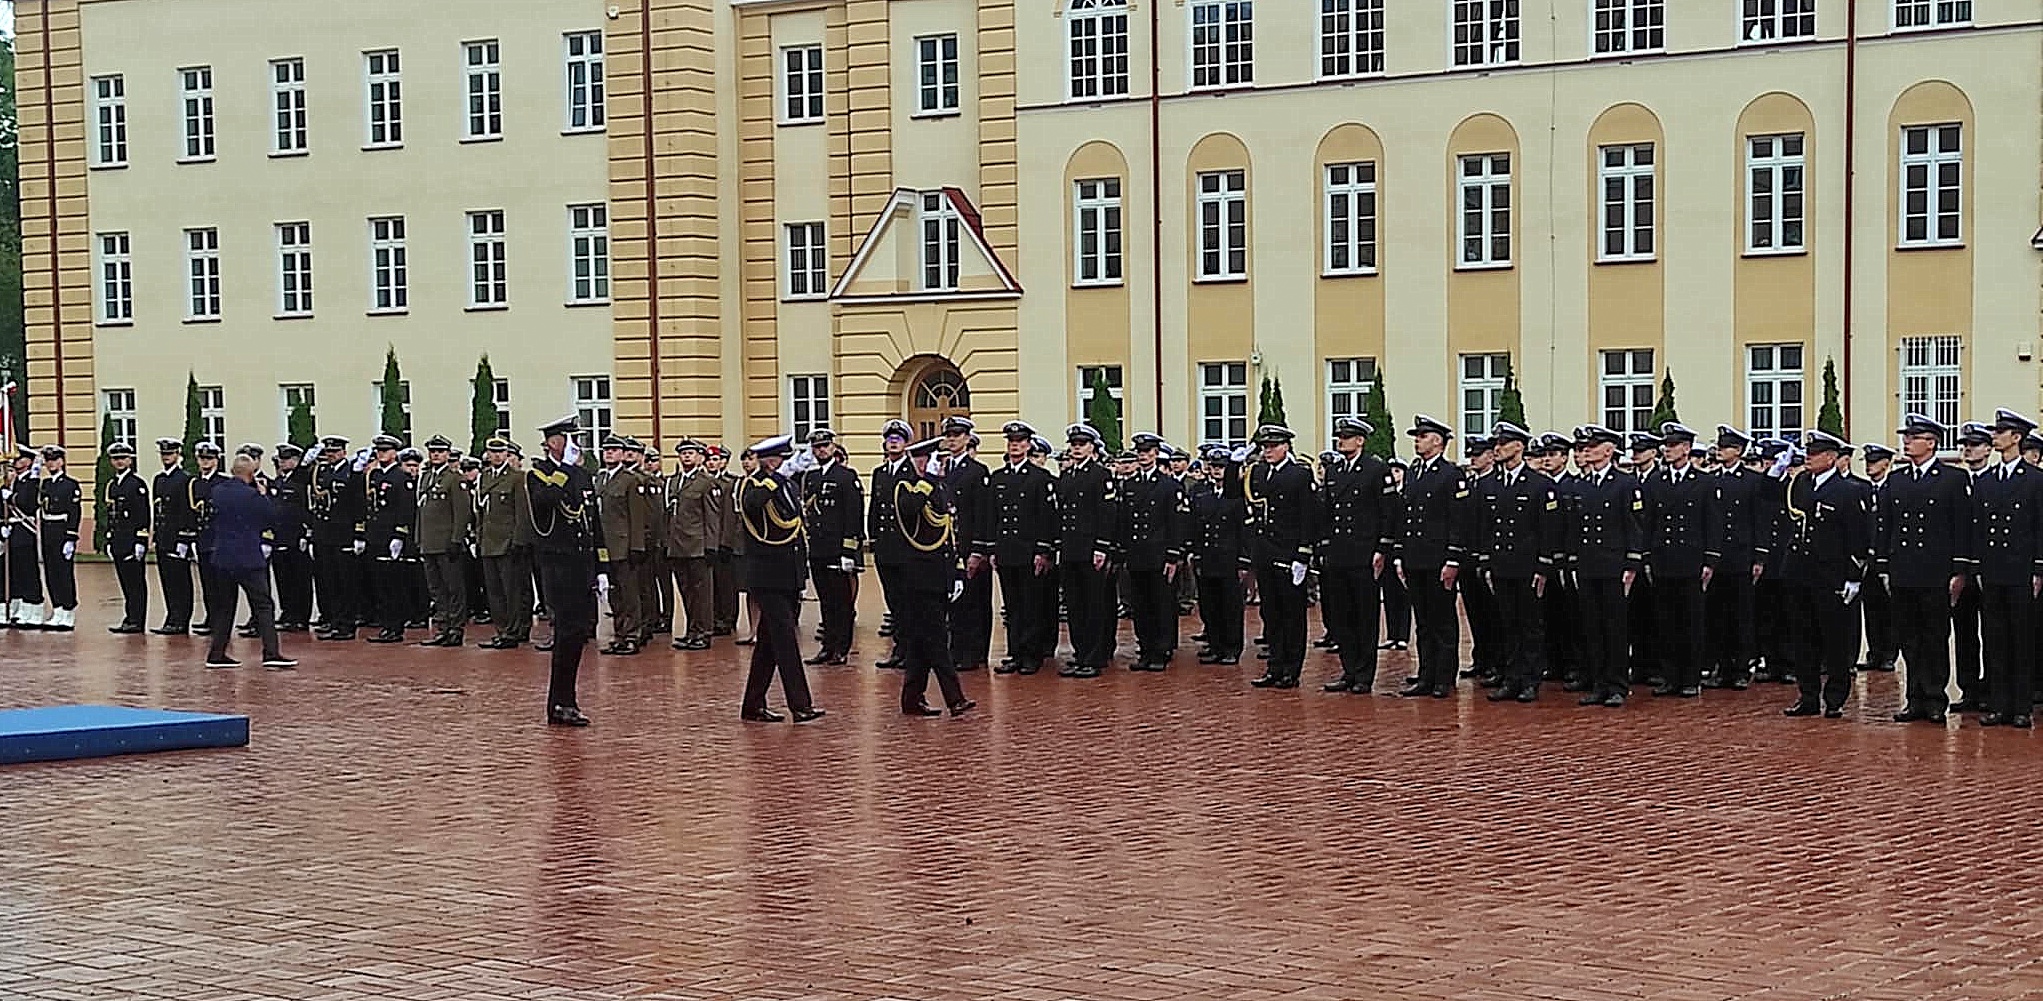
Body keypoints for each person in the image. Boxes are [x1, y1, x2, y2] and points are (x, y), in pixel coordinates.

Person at [1880, 414, 1969, 725]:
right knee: (1909, 638)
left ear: (1931, 442)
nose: (1906, 441)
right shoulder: (1897, 479)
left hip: (1935, 571)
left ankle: (1935, 698)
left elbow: (1961, 527)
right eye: (1906, 436)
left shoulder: (1953, 479)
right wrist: (1885, 566)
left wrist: (1959, 570)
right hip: (1904, 570)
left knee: (1934, 636)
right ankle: (1913, 698)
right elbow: (1887, 526)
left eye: (1913, 437)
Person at [1469, 423, 1560, 702]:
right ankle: (1511, 677)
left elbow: (1548, 529)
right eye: (1496, 443)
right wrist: (1485, 562)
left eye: (1504, 443)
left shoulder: (1539, 484)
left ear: (1519, 447)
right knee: (1507, 623)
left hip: (1527, 565)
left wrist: (1544, 566)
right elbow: (1483, 526)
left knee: (1530, 624)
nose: (1497, 448)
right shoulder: (1488, 484)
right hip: (1501, 563)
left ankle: (1530, 679)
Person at [737, 434, 823, 723]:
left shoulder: (787, 486)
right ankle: (800, 705)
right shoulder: (755, 484)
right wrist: (773, 479)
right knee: (786, 641)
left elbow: (796, 528)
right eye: (782, 460)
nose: (787, 464)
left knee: (769, 644)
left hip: (788, 574)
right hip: (767, 575)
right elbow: (751, 505)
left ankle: (752, 704)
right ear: (771, 461)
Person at [1965, 409, 2041, 728]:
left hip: (2021, 570)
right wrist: (1979, 566)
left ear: (2016, 438)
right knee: (1994, 637)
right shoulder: (1987, 480)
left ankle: (2022, 706)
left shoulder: (2036, 480)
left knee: (2021, 639)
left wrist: (2039, 569)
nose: (1995, 436)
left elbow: (2040, 526)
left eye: (2001, 432)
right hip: (1993, 569)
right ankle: (1998, 704)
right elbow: (1978, 526)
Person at [1318, 417, 1397, 693]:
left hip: (1364, 553)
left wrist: (1382, 548)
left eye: (1347, 436)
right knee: (1342, 615)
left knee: (1365, 614)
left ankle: (1364, 673)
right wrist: (1325, 546)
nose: (1341, 440)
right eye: (1339, 436)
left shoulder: (1376, 469)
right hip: (1339, 553)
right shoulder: (1334, 471)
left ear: (1360, 440)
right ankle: (1349, 669)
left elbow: (1388, 512)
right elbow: (1327, 512)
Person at [527, 416, 598, 726]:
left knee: (579, 633)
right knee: (566, 634)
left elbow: (594, 521)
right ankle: (559, 704)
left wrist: (602, 566)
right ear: (553, 443)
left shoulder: (582, 475)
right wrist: (565, 468)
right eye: (569, 439)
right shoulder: (537, 475)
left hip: (581, 563)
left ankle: (567, 700)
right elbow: (546, 501)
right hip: (557, 564)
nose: (575, 445)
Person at [896, 436, 974, 716]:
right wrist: (927, 479)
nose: (939, 465)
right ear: (917, 460)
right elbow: (909, 510)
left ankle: (911, 699)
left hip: (939, 572)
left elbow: (949, 531)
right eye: (931, 460)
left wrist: (957, 570)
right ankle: (955, 698)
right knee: (938, 639)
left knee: (920, 640)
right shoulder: (905, 486)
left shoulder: (941, 487)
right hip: (918, 576)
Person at [977, 421, 1059, 675]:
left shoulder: (1040, 478)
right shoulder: (998, 477)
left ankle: (1031, 654)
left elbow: (1046, 518)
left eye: (1020, 442)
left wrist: (1043, 551)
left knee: (1031, 604)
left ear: (1028, 445)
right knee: (1011, 606)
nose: (1015, 446)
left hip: (1028, 550)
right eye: (1011, 442)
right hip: (1006, 550)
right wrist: (992, 549)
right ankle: (1015, 652)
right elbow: (992, 515)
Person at [1571, 425, 1644, 708]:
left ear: (1609, 450)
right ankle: (1599, 683)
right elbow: (1577, 528)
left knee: (1614, 627)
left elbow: (1634, 526)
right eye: (1587, 445)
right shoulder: (1584, 485)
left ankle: (1617, 685)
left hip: (1614, 565)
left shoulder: (1625, 484)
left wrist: (1632, 563)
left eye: (1595, 445)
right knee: (1592, 626)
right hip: (1589, 565)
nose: (1588, 450)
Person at [201, 454, 296, 670]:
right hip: (247, 557)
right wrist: (264, 495)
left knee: (225, 607)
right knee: (263, 605)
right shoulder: (252, 496)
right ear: (251, 474)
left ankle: (216, 653)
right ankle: (271, 652)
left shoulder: (217, 491)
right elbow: (271, 517)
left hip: (222, 556)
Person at [1396, 416, 1468, 699]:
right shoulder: (1414, 472)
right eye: (1417, 436)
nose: (1417, 440)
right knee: (1423, 621)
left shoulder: (1451, 475)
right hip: (1416, 557)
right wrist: (1401, 555)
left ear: (1437, 441)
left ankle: (1443, 677)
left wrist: (1453, 559)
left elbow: (1457, 521)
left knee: (1443, 620)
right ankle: (1426, 674)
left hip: (1439, 559)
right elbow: (1406, 516)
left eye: (1423, 436)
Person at [1642, 422, 1712, 698]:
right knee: (1666, 621)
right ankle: (1670, 675)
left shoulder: (1704, 482)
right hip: (1663, 558)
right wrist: (1647, 555)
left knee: (1691, 621)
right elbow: (1648, 521)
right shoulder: (1656, 482)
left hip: (1691, 558)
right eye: (1665, 446)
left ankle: (1690, 677)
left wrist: (1710, 560)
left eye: (1673, 446)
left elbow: (1711, 522)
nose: (1667, 450)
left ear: (1686, 448)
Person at [1244, 425, 1317, 689]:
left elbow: (1308, 516)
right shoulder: (1259, 473)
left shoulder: (1299, 474)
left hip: (1289, 553)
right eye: (1264, 447)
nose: (1268, 451)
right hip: (1265, 552)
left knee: (1292, 614)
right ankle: (1274, 666)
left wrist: (1303, 554)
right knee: (1271, 613)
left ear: (1286, 446)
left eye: (1273, 446)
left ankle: (1291, 669)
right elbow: (1240, 498)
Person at [1053, 423, 1117, 678]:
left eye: (1082, 444)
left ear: (1092, 447)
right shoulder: (1067, 476)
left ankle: (1094, 656)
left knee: (1093, 604)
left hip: (1091, 549)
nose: (1077, 449)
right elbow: (1061, 514)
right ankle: (1080, 653)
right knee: (1075, 605)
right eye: (1074, 444)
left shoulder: (1101, 475)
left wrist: (1102, 546)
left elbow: (1107, 513)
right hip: (1070, 549)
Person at [1120, 432, 1186, 671]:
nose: (1144, 456)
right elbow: (1125, 521)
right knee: (1141, 605)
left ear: (1157, 454)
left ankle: (1161, 650)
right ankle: (1146, 649)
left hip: (1159, 554)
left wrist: (1172, 555)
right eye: (1140, 452)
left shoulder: (1170, 486)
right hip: (1137, 554)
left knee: (1162, 603)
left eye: (1148, 452)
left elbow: (1176, 523)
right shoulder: (1130, 484)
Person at [1703, 426, 1762, 690]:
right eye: (1719, 445)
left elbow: (1759, 520)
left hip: (1741, 555)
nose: (1719, 450)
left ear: (1738, 451)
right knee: (1718, 613)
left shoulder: (1752, 480)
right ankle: (1722, 665)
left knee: (1741, 614)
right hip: (1718, 557)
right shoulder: (1711, 479)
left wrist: (1759, 556)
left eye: (1725, 447)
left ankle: (1741, 667)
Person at [800, 429, 863, 665]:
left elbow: (853, 515)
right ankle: (827, 645)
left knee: (841, 601)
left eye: (825, 446)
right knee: (825, 599)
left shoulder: (847, 476)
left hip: (838, 548)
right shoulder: (811, 477)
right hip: (818, 547)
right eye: (816, 447)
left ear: (833, 447)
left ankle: (841, 648)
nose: (821, 450)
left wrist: (849, 550)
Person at [941, 420, 993, 672]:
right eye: (949, 436)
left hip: (969, 545)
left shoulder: (977, 471)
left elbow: (983, 514)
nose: (952, 440)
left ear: (967, 438)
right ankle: (957, 649)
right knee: (955, 602)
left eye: (957, 435)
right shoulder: (942, 470)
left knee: (974, 601)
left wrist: (978, 550)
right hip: (949, 547)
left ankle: (974, 652)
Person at [474, 437, 535, 648]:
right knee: (495, 591)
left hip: (508, 542)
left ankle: (514, 631)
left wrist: (519, 540)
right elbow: (480, 512)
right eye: (493, 452)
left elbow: (522, 512)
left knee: (513, 591)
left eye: (501, 452)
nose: (497, 456)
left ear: (507, 455)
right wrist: (478, 538)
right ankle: (502, 629)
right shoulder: (484, 477)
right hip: (489, 542)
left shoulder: (517, 478)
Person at [592, 435, 648, 655]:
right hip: (605, 545)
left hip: (624, 544)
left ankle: (632, 635)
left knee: (629, 592)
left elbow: (637, 516)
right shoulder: (600, 479)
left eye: (614, 450)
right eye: (606, 450)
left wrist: (637, 546)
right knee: (613, 592)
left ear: (624, 454)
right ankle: (619, 633)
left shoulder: (631, 480)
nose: (609, 453)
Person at [414, 435, 472, 647]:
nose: (436, 454)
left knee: (453, 588)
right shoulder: (426, 477)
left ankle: (456, 629)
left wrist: (457, 538)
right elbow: (421, 511)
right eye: (432, 451)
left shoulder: (455, 479)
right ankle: (442, 627)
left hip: (447, 543)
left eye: (440, 451)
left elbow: (462, 512)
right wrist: (419, 538)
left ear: (448, 454)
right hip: (429, 542)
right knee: (436, 589)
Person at [663, 439, 720, 651]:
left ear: (700, 457)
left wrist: (711, 546)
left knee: (702, 592)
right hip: (677, 545)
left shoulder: (706, 482)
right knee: (686, 591)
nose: (686, 456)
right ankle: (691, 630)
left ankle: (703, 632)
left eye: (691, 453)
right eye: (683, 453)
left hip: (698, 545)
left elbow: (712, 517)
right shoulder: (674, 481)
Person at [1191, 444, 1246, 665]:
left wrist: (1243, 560)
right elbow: (1196, 527)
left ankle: (1231, 648)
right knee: (1210, 604)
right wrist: (1195, 554)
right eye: (1213, 467)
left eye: (1221, 467)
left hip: (1229, 558)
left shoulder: (1237, 498)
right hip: (1208, 556)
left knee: (1230, 606)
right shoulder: (1204, 496)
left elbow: (1243, 530)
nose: (1216, 471)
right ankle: (1215, 645)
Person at [311, 437, 365, 640]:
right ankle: (334, 620)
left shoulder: (351, 473)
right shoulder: (323, 472)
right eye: (328, 451)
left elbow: (359, 503)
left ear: (343, 452)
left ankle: (346, 625)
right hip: (325, 534)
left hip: (344, 534)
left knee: (346, 582)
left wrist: (358, 533)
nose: (331, 454)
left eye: (335, 451)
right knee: (329, 581)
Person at [1856, 442, 1899, 673]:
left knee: (1888, 608)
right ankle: (1874, 652)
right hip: (1866, 558)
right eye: (1868, 462)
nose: (1870, 467)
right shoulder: (1862, 489)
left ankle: (1889, 653)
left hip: (1887, 557)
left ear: (1886, 463)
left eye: (1874, 462)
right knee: (1871, 607)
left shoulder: (1893, 488)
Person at [102, 442, 151, 633]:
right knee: (125, 582)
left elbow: (143, 514)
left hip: (132, 540)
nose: (119, 462)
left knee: (135, 582)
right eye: (116, 459)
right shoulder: (112, 485)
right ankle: (129, 617)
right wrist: (108, 538)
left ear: (130, 460)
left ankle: (137, 620)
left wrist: (141, 540)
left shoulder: (136, 484)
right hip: (118, 540)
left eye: (123, 458)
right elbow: (111, 514)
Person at [151, 438, 196, 634]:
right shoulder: (159, 479)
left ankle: (182, 619)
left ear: (177, 455)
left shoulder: (185, 479)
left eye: (169, 454)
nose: (166, 457)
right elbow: (157, 509)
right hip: (163, 536)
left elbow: (187, 511)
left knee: (180, 580)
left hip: (177, 537)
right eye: (163, 454)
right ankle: (171, 616)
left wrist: (185, 539)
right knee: (167, 580)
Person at [268, 444, 315, 631]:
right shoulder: (279, 483)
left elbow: (307, 509)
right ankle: (287, 612)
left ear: (296, 461)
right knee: (283, 578)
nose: (282, 462)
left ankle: (300, 616)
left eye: (287, 459)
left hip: (298, 536)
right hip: (280, 537)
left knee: (300, 579)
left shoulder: (301, 481)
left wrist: (307, 532)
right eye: (281, 458)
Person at [186, 442, 228, 635]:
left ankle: (221, 620)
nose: (205, 462)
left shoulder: (223, 483)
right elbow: (190, 513)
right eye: (202, 459)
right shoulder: (195, 483)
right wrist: (191, 539)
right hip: (202, 539)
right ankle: (211, 617)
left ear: (217, 460)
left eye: (209, 458)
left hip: (219, 540)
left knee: (221, 584)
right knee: (207, 582)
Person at [2, 445, 39, 628]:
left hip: (26, 528)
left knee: (28, 570)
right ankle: (19, 608)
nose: (16, 463)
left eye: (20, 459)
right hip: (14, 528)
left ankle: (34, 606)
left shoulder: (32, 481)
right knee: (15, 570)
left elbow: (26, 502)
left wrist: (10, 497)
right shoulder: (14, 481)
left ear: (29, 461)